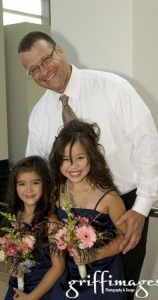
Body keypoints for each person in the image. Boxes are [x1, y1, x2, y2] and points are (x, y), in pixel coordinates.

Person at [18, 31, 158, 299]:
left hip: (123, 210)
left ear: (59, 50)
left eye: (46, 59)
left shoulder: (113, 88)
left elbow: (148, 147)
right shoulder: (39, 114)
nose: (43, 71)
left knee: (117, 291)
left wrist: (141, 209)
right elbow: (37, 172)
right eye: (33, 69)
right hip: (66, 216)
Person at [49, 119, 127, 299]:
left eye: (80, 158)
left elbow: (125, 237)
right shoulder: (56, 191)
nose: (73, 166)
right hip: (67, 274)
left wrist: (94, 255)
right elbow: (52, 216)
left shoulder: (109, 198)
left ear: (91, 157)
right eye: (66, 159)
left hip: (104, 275)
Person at [2, 156, 65, 300]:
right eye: (22, 184)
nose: (28, 189)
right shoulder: (15, 216)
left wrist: (31, 297)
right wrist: (12, 266)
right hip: (17, 287)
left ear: (45, 184)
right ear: (15, 187)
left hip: (41, 291)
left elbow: (58, 267)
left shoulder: (51, 222)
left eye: (35, 183)